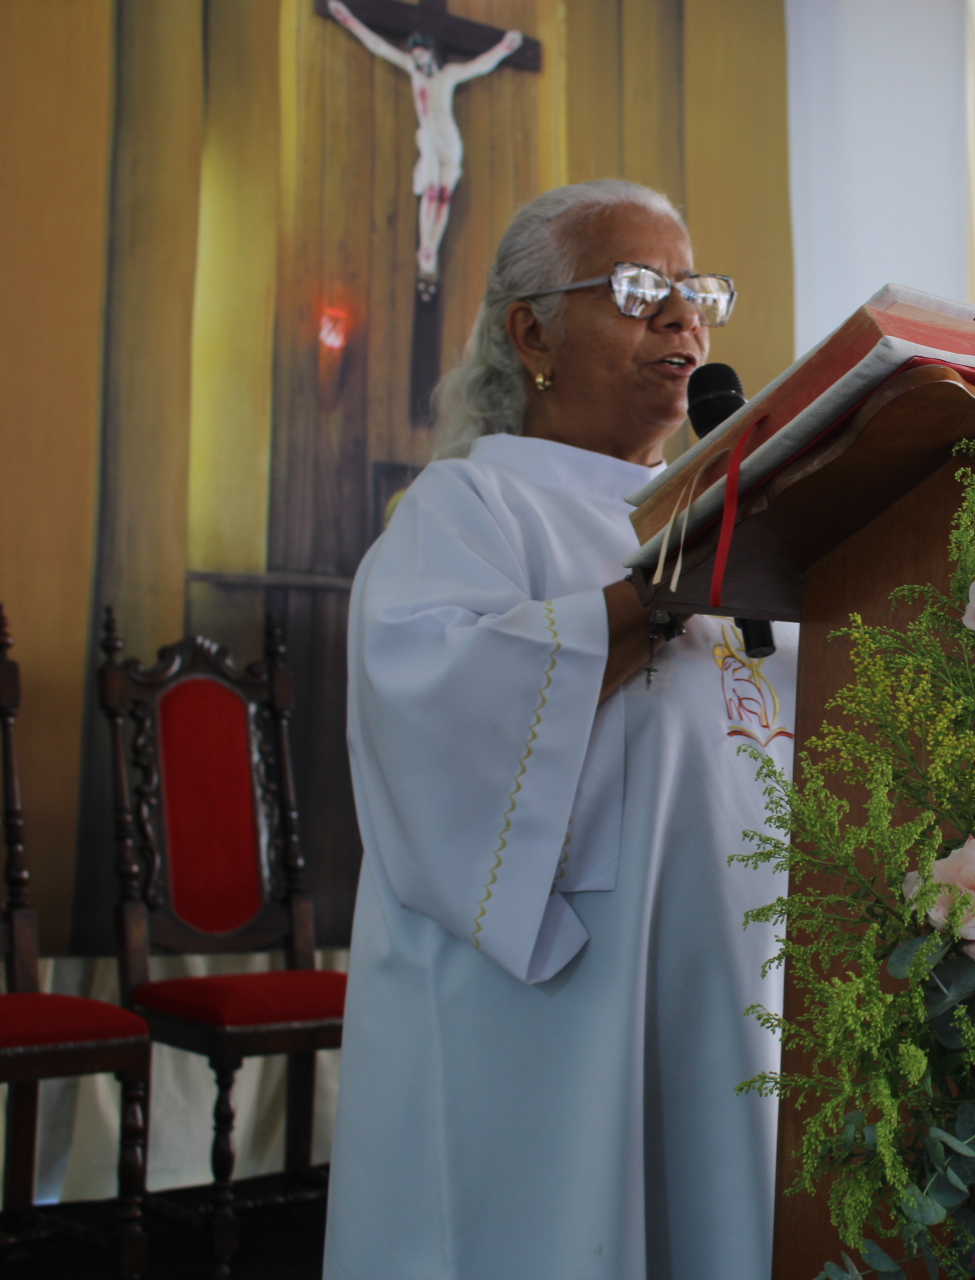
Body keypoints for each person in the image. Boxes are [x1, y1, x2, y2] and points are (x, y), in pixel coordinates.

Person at [325, 180, 792, 1279]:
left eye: (694, 291)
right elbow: (435, 710)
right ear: (531, 333)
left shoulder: (738, 520)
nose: (682, 317)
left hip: (729, 973)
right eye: (636, 289)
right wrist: (656, 595)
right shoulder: (470, 509)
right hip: (551, 1008)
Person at [326, 0, 524, 297]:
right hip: (430, 137)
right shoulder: (414, 72)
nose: (419, 60)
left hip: (450, 142)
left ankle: (431, 250)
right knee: (431, 189)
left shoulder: (448, 75)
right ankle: (427, 251)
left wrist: (505, 47)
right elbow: (379, 46)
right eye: (415, 56)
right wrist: (347, 18)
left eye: (422, 55)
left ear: (431, 53)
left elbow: (480, 66)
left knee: (443, 195)